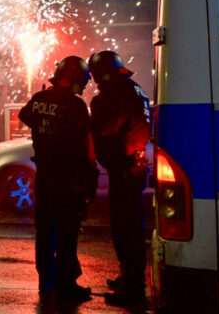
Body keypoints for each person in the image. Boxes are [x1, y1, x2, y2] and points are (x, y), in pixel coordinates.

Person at [18, 56, 98, 304]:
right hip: (67, 180)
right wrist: (88, 180)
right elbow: (85, 148)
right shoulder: (75, 106)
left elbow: (25, 115)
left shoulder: (40, 99)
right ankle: (66, 285)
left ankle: (46, 281)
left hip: (44, 178)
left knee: (44, 231)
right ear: (75, 79)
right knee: (66, 233)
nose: (84, 86)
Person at [88, 50, 151, 310]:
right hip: (134, 166)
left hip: (124, 170)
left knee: (126, 231)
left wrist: (88, 120)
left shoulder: (114, 93)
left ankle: (133, 290)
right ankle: (129, 278)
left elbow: (106, 127)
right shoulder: (135, 89)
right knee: (131, 227)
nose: (94, 82)